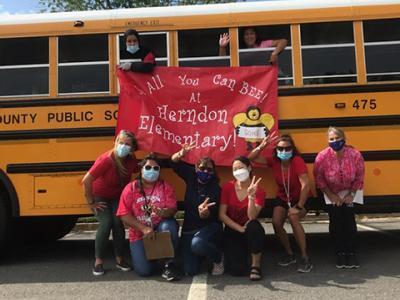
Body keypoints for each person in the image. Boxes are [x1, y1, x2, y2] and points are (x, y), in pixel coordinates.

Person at [248, 133, 313, 273]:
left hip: (300, 198)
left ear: (292, 149)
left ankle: (304, 257)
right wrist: (262, 145)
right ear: (276, 149)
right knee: (276, 223)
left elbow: (306, 185)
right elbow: (250, 158)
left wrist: (299, 206)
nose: (284, 152)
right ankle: (290, 254)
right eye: (280, 149)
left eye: (287, 148)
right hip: (283, 197)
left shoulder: (297, 161)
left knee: (294, 218)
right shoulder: (274, 161)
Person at [82, 130, 138, 276]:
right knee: (106, 223)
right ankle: (98, 262)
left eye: (127, 144)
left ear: (132, 148)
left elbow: (137, 169)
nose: (123, 146)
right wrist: (91, 202)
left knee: (118, 223)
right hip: (100, 197)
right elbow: (86, 180)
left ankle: (120, 259)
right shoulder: (106, 160)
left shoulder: (131, 160)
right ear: (115, 142)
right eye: (120, 142)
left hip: (117, 197)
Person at [117, 154, 180, 281]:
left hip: (160, 230)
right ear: (141, 169)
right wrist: (144, 228)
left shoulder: (165, 187)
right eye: (148, 167)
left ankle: (169, 264)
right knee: (144, 271)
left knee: (169, 225)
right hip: (140, 234)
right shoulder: (131, 188)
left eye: (156, 168)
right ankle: (155, 258)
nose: (152, 171)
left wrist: (164, 212)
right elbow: (124, 215)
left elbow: (172, 210)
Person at [314, 127, 365, 269]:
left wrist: (351, 194)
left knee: (349, 219)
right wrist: (331, 195)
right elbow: (319, 179)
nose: (335, 141)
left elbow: (360, 176)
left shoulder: (355, 154)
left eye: (337, 138)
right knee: (336, 219)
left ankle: (351, 252)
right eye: (331, 139)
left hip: (351, 190)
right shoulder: (322, 156)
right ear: (327, 141)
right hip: (331, 191)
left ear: (344, 139)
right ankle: (340, 253)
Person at [171, 143, 224, 276]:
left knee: (197, 244)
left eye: (209, 170)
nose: (205, 172)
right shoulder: (191, 177)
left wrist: (203, 212)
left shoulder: (215, 188)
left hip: (208, 228)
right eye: (202, 168)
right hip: (189, 230)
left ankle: (218, 258)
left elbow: (208, 215)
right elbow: (173, 163)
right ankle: (201, 255)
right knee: (190, 271)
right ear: (196, 168)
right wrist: (181, 153)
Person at [219, 156, 265, 281]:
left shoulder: (259, 191)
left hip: (249, 227)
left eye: (241, 168)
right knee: (236, 271)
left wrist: (251, 197)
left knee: (254, 227)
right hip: (234, 228)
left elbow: (252, 216)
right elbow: (222, 214)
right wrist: (239, 229)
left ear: (249, 168)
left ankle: (256, 264)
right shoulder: (227, 187)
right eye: (235, 169)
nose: (238, 171)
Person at [219, 27, 287, 64]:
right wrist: (222, 47)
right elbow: (224, 61)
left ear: (256, 35)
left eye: (251, 34)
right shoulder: (239, 51)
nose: (249, 36)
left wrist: (275, 53)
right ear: (243, 37)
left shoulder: (263, 44)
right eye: (246, 34)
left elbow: (283, 41)